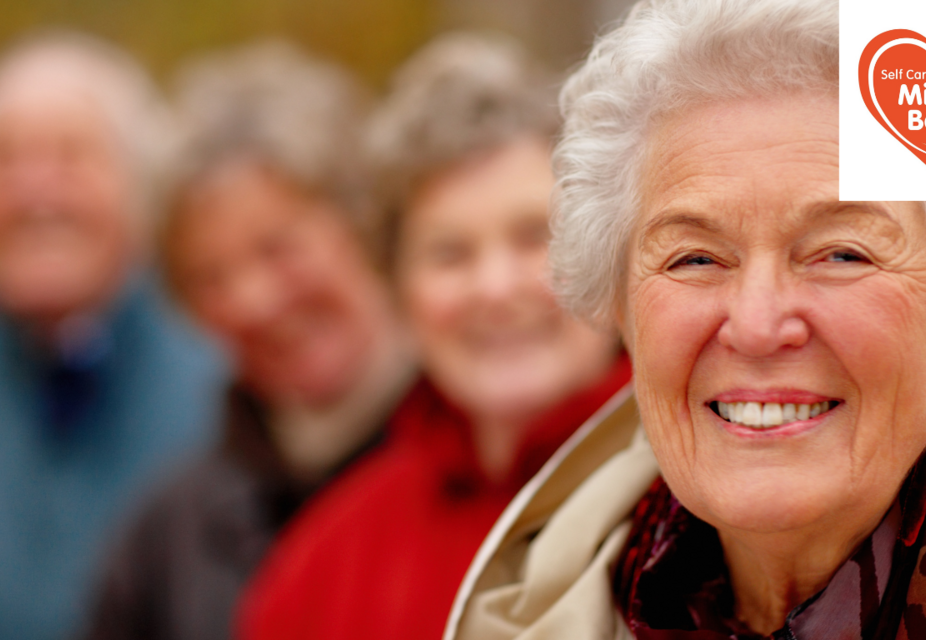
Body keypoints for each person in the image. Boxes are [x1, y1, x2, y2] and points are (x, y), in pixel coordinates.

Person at [445, 1, 926, 639]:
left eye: (841, 254)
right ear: (624, 317)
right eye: (695, 258)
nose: (756, 326)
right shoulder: (517, 616)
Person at [236, 33, 632, 640]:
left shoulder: (702, 507)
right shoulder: (326, 558)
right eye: (449, 253)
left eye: (534, 236)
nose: (494, 288)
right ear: (395, 285)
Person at [81, 42, 417, 640]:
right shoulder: (166, 538)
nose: (252, 302)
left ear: (361, 224)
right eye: (209, 277)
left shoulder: (489, 465)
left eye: (278, 248)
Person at [0, 33, 226, 640]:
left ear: (138, 192)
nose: (36, 192)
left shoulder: (231, 404)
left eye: (71, 158)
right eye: (4, 162)